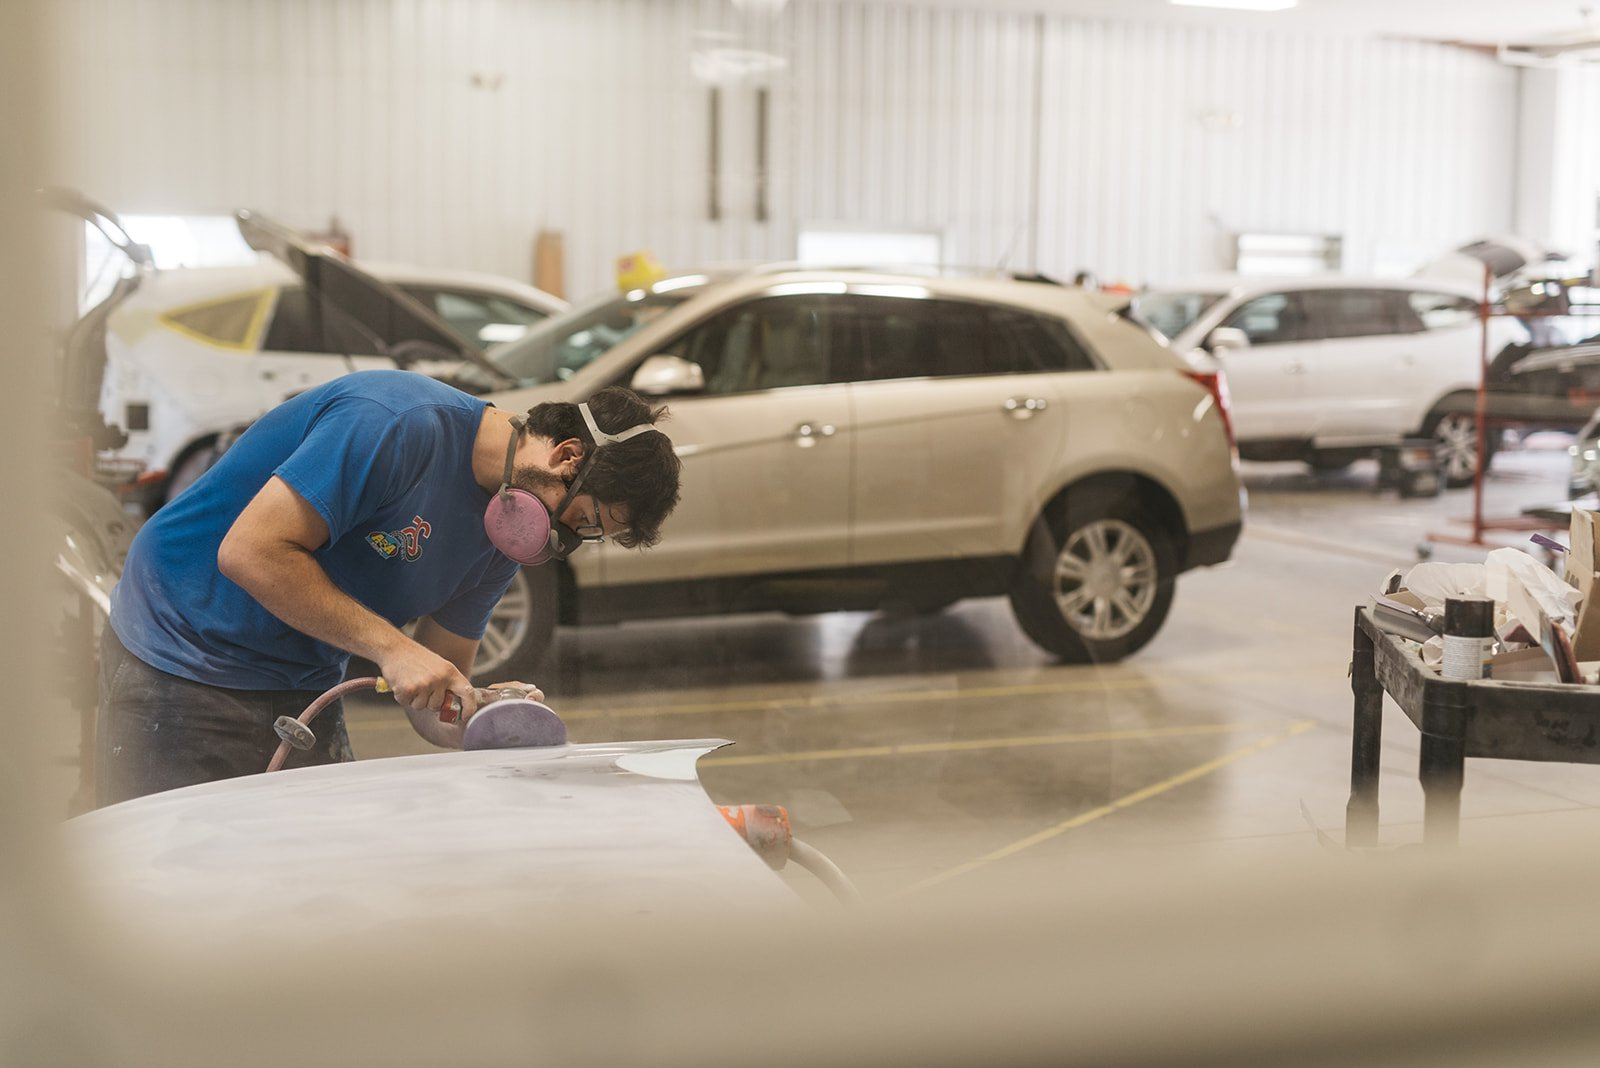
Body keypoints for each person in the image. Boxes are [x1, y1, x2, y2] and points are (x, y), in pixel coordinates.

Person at [96, 369, 681, 806]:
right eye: (583, 520)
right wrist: (394, 649)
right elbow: (250, 551)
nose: (561, 541)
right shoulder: (396, 423)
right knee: (173, 889)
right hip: (183, 647)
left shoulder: (503, 535)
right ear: (567, 456)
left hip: (299, 675)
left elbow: (432, 695)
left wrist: (481, 715)